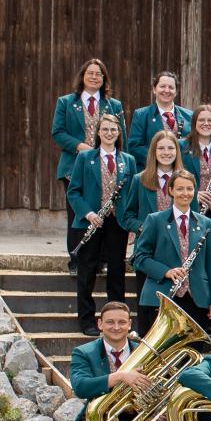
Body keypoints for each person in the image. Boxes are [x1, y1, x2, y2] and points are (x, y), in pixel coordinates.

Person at [131, 170, 211, 339]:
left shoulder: (205, 223)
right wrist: (166, 271)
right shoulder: (155, 219)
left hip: (196, 298)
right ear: (171, 190)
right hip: (162, 296)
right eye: (180, 189)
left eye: (189, 189)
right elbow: (140, 258)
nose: (185, 193)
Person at [67, 113, 136, 334]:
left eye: (113, 130)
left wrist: (131, 224)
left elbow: (132, 194)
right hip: (91, 222)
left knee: (117, 271)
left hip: (118, 223)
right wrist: (88, 213)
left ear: (119, 133)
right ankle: (87, 320)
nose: (109, 133)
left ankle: (117, 320)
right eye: (104, 129)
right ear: (98, 133)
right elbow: (74, 191)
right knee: (87, 270)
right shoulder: (85, 158)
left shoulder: (128, 160)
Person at [52, 58, 122, 194]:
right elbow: (58, 132)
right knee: (76, 214)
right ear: (82, 76)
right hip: (73, 166)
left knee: (104, 214)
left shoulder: (114, 105)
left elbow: (121, 138)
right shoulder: (65, 102)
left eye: (98, 74)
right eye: (90, 73)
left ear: (104, 78)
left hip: (108, 168)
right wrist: (80, 147)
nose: (94, 77)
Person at [127, 130, 188, 239]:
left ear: (177, 151)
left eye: (170, 148)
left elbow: (193, 216)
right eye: (160, 148)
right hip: (147, 243)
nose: (166, 152)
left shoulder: (187, 179)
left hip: (178, 244)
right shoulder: (139, 179)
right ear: (153, 151)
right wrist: (142, 227)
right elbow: (128, 216)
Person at [125, 70, 191, 160]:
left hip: (182, 170)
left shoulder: (189, 116)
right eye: (162, 86)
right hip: (153, 171)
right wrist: (160, 158)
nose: (167, 90)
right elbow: (134, 146)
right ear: (154, 89)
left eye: (171, 87)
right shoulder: (141, 115)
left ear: (176, 92)